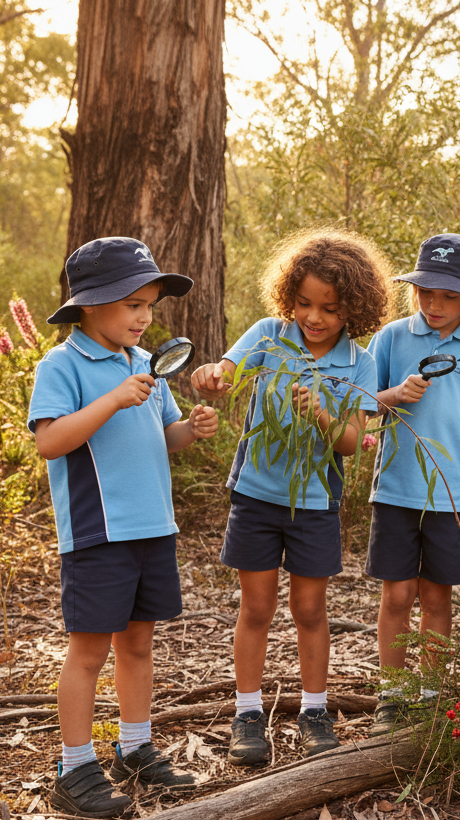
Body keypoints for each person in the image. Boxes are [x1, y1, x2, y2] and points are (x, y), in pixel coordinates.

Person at [30, 237, 218, 817]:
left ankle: (134, 748)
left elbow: (161, 438)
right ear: (89, 305)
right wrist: (111, 400)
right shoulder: (62, 365)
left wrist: (192, 427)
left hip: (151, 530)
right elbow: (50, 441)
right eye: (131, 304)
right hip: (98, 534)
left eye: (150, 305)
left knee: (139, 644)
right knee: (88, 652)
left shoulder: (143, 364)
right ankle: (75, 766)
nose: (143, 316)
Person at [189, 229, 388, 766]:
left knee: (309, 608)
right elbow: (224, 376)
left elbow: (350, 441)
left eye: (329, 307)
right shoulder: (267, 335)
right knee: (255, 608)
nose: (314, 317)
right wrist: (210, 377)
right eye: (304, 303)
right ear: (288, 298)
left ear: (356, 307)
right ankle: (247, 712)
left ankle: (314, 710)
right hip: (255, 497)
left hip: (315, 503)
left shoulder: (360, 363)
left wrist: (320, 414)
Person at [367, 233, 460, 732]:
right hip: (395, 490)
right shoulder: (392, 337)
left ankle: (427, 693)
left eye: (449, 295)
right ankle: (392, 693)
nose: (435, 304)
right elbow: (363, 407)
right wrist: (395, 393)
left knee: (437, 597)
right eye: (426, 292)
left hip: (451, 495)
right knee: (396, 595)